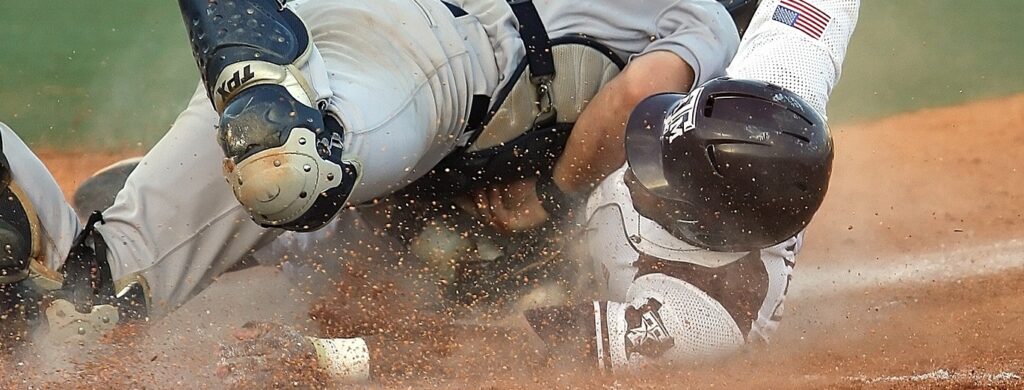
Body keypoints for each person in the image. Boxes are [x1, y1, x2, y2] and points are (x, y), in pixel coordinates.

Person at [0, 0, 741, 351]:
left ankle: (252, 83)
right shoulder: (706, 14)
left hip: (319, 34)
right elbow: (641, 94)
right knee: (292, 172)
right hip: (428, 58)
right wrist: (554, 194)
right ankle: (264, 105)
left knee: (85, 295)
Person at [217, 0, 857, 384]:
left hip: (569, 267)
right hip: (570, 200)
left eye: (658, 175)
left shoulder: (689, 319)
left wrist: (332, 361)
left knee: (446, 267)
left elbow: (512, 349)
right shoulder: (774, 88)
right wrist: (555, 193)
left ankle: (294, 243)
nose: (644, 154)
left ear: (703, 228)